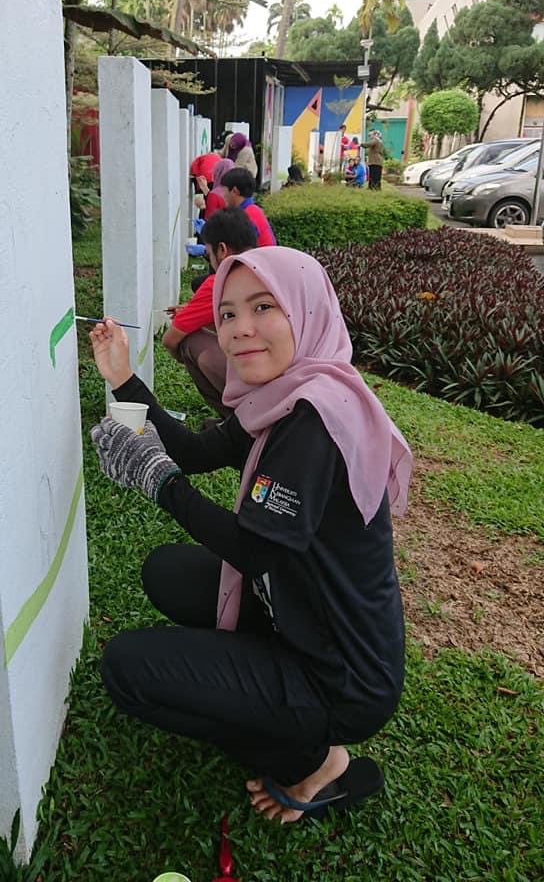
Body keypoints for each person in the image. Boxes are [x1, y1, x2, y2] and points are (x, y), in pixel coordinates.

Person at [89, 246, 413, 825]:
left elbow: (254, 550)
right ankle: (266, 692)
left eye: (264, 307)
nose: (239, 329)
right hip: (296, 608)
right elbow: (196, 452)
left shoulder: (314, 422)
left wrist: (157, 481)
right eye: (228, 313)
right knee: (166, 570)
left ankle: (316, 759)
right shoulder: (287, 394)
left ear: (306, 310)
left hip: (341, 676)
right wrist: (123, 378)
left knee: (126, 670)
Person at [162, 208, 258, 418]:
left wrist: (183, 354)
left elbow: (169, 340)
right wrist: (195, 311)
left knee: (189, 342)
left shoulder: (220, 282)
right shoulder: (266, 269)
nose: (209, 259)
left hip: (257, 386)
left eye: (208, 253)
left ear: (221, 249)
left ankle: (235, 422)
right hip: (291, 383)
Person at [219, 167, 277, 247]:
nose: (223, 196)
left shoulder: (245, 216)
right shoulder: (253, 209)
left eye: (224, 191)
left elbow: (235, 248)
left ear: (234, 191)